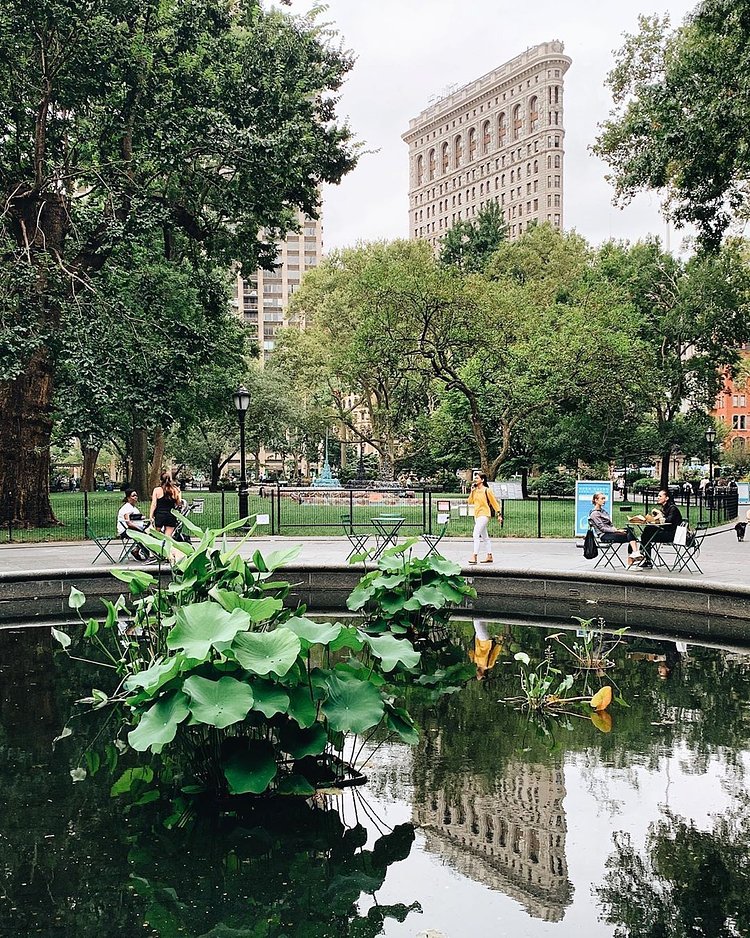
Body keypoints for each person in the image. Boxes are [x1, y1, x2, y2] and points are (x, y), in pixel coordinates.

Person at [588, 493, 642, 567]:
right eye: (602, 499)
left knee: (630, 530)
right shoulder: (594, 514)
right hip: (604, 535)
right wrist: (616, 531)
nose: (604, 500)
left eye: (604, 498)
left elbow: (610, 525)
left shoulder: (603, 511)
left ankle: (634, 554)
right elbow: (602, 528)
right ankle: (633, 556)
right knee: (630, 535)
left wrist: (617, 529)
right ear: (596, 500)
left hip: (611, 532)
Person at [639, 489, 683, 568]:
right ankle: (644, 555)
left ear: (667, 498)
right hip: (665, 531)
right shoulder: (664, 508)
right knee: (648, 530)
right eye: (658, 496)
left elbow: (668, 520)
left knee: (647, 535)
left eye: (660, 496)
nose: (658, 498)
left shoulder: (673, 508)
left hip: (672, 534)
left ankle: (643, 554)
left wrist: (660, 516)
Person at [467, 471, 502, 564]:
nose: (475, 480)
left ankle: (474, 556)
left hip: (485, 514)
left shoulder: (487, 490)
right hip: (477, 515)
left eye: (477, 478)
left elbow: (494, 502)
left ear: (482, 480)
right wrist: (472, 491)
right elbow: (470, 502)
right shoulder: (475, 491)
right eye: (475, 478)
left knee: (475, 534)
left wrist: (499, 514)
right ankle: (489, 555)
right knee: (485, 537)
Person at [117, 488, 150, 562]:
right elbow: (128, 522)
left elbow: (135, 518)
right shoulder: (127, 508)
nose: (136, 497)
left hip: (134, 529)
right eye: (133, 496)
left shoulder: (133, 508)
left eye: (136, 495)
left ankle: (136, 550)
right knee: (144, 534)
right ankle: (146, 554)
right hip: (126, 531)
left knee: (148, 531)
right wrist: (140, 529)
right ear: (128, 498)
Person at [149, 470, 183, 539]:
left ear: (161, 480)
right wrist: (179, 494)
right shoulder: (175, 490)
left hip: (160, 515)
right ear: (170, 480)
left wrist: (151, 516)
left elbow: (154, 504)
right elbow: (179, 504)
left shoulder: (157, 490)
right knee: (168, 538)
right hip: (171, 515)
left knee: (156, 536)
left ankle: (157, 548)